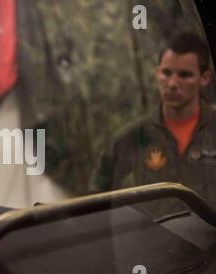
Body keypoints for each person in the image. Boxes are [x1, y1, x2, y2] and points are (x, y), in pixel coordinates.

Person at [88, 32, 215, 218]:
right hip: (155, 244)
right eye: (166, 73)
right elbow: (94, 199)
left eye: (184, 75)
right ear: (157, 73)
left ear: (204, 78)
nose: (172, 83)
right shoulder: (133, 136)